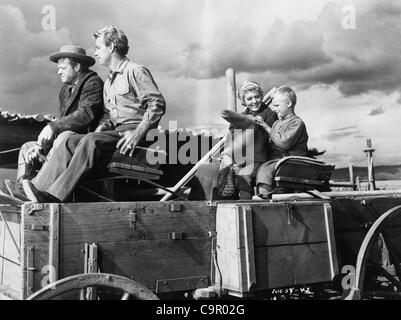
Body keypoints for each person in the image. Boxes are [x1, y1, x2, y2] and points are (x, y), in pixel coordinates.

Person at [20, 25, 166, 203]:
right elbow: (108, 115)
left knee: (91, 141)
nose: (95, 52)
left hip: (138, 133)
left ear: (111, 47)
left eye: (98, 47)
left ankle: (55, 197)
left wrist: (138, 132)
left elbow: (156, 104)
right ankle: (37, 191)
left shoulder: (134, 71)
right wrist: (100, 128)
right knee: (68, 141)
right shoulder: (110, 82)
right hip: (117, 132)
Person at [1, 45, 104, 201]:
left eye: (62, 68)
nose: (58, 71)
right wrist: (40, 145)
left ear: (77, 66)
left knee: (65, 137)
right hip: (67, 139)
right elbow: (64, 118)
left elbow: (85, 115)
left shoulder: (93, 82)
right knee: (27, 148)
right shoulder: (65, 90)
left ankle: (36, 192)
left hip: (84, 143)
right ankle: (21, 187)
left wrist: (53, 127)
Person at [189, 81, 277, 200]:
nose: (254, 101)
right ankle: (199, 203)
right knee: (206, 169)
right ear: (244, 101)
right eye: (249, 99)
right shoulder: (239, 117)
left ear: (261, 96)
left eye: (257, 97)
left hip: (257, 157)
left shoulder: (269, 114)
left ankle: (243, 204)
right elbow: (232, 136)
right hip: (238, 154)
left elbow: (271, 137)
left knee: (243, 174)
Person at [254, 86, 309, 199]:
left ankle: (264, 199)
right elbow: (271, 142)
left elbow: (284, 143)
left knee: (264, 168)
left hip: (291, 161)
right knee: (254, 165)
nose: (274, 109)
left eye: (277, 105)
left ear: (289, 103)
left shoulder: (297, 123)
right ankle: (260, 193)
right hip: (277, 160)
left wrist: (265, 126)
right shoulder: (276, 123)